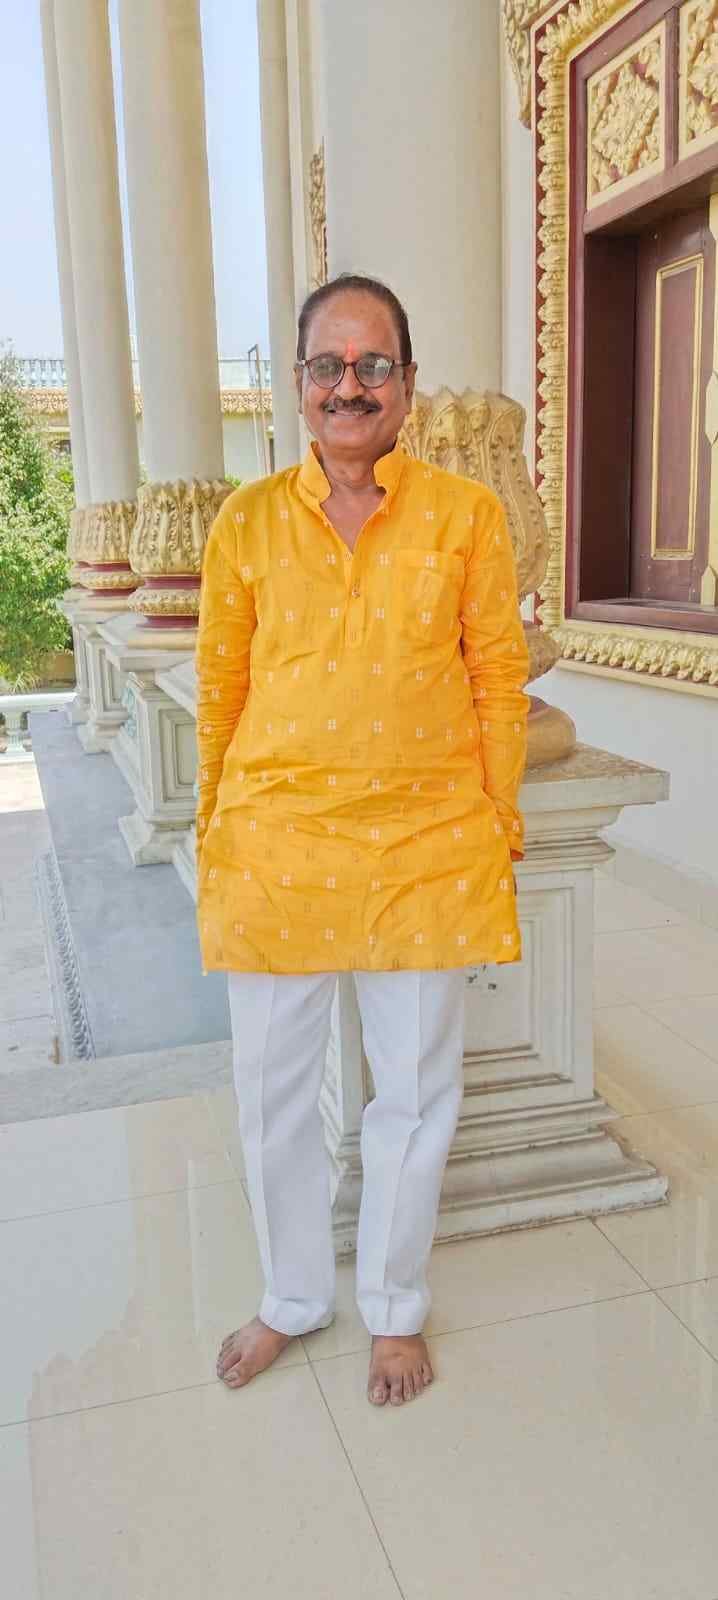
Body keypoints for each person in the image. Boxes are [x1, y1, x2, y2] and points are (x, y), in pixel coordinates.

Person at [195, 273, 529, 1406]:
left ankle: (393, 1306)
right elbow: (220, 691)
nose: (351, 385)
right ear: (299, 385)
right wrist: (216, 830)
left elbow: (497, 677)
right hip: (274, 848)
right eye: (329, 366)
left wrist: (496, 818)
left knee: (414, 1096)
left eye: (373, 364)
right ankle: (293, 1297)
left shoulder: (465, 515)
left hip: (424, 847)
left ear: (407, 384)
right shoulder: (245, 522)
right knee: (272, 1098)